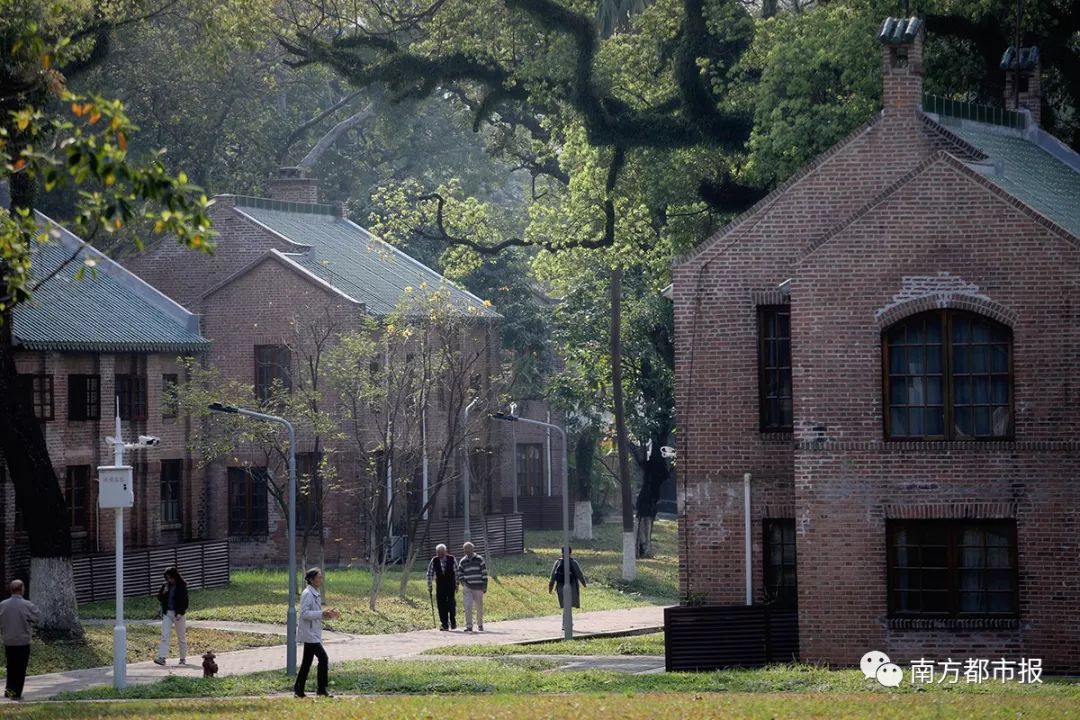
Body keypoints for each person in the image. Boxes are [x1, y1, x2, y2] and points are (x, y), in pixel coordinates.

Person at [295, 568, 339, 698]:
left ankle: (299, 690)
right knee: (323, 658)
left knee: (307, 663)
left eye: (321, 577)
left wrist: (327, 614)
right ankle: (321, 689)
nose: (321, 580)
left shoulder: (315, 593)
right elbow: (304, 614)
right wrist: (321, 613)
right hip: (309, 633)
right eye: (318, 577)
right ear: (311, 580)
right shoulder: (308, 593)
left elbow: (315, 613)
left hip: (312, 632)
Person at [0, 579, 39, 701]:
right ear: (21, 589)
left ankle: (9, 691)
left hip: (8, 640)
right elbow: (37, 617)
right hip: (22, 641)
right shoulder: (27, 605)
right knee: (20, 667)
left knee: (11, 666)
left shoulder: (2, 605)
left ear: (11, 590)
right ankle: (17, 693)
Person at [154, 566, 189, 666]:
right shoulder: (165, 585)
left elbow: (185, 602)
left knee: (181, 637)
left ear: (175, 576)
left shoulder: (182, 586)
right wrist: (163, 592)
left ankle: (182, 658)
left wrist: (180, 613)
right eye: (167, 578)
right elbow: (159, 598)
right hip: (167, 613)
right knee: (164, 635)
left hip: (178, 614)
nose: (169, 580)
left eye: (170, 578)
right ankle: (162, 658)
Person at [457, 542, 488, 632]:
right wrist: (463, 583)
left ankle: (480, 624)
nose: (467, 550)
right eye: (465, 549)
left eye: (469, 548)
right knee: (467, 606)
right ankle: (469, 626)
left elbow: (484, 573)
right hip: (468, 586)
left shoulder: (479, 559)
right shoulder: (462, 561)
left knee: (479, 607)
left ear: (472, 549)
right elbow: (460, 573)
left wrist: (484, 586)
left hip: (478, 586)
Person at [426, 544, 457, 631]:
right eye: (438, 552)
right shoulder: (434, 560)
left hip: (450, 584)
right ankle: (444, 624)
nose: (440, 554)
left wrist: (457, 583)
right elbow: (429, 573)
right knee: (441, 604)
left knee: (451, 603)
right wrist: (429, 585)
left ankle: (453, 621)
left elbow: (456, 571)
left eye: (442, 552)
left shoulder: (451, 559)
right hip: (440, 585)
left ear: (445, 551)